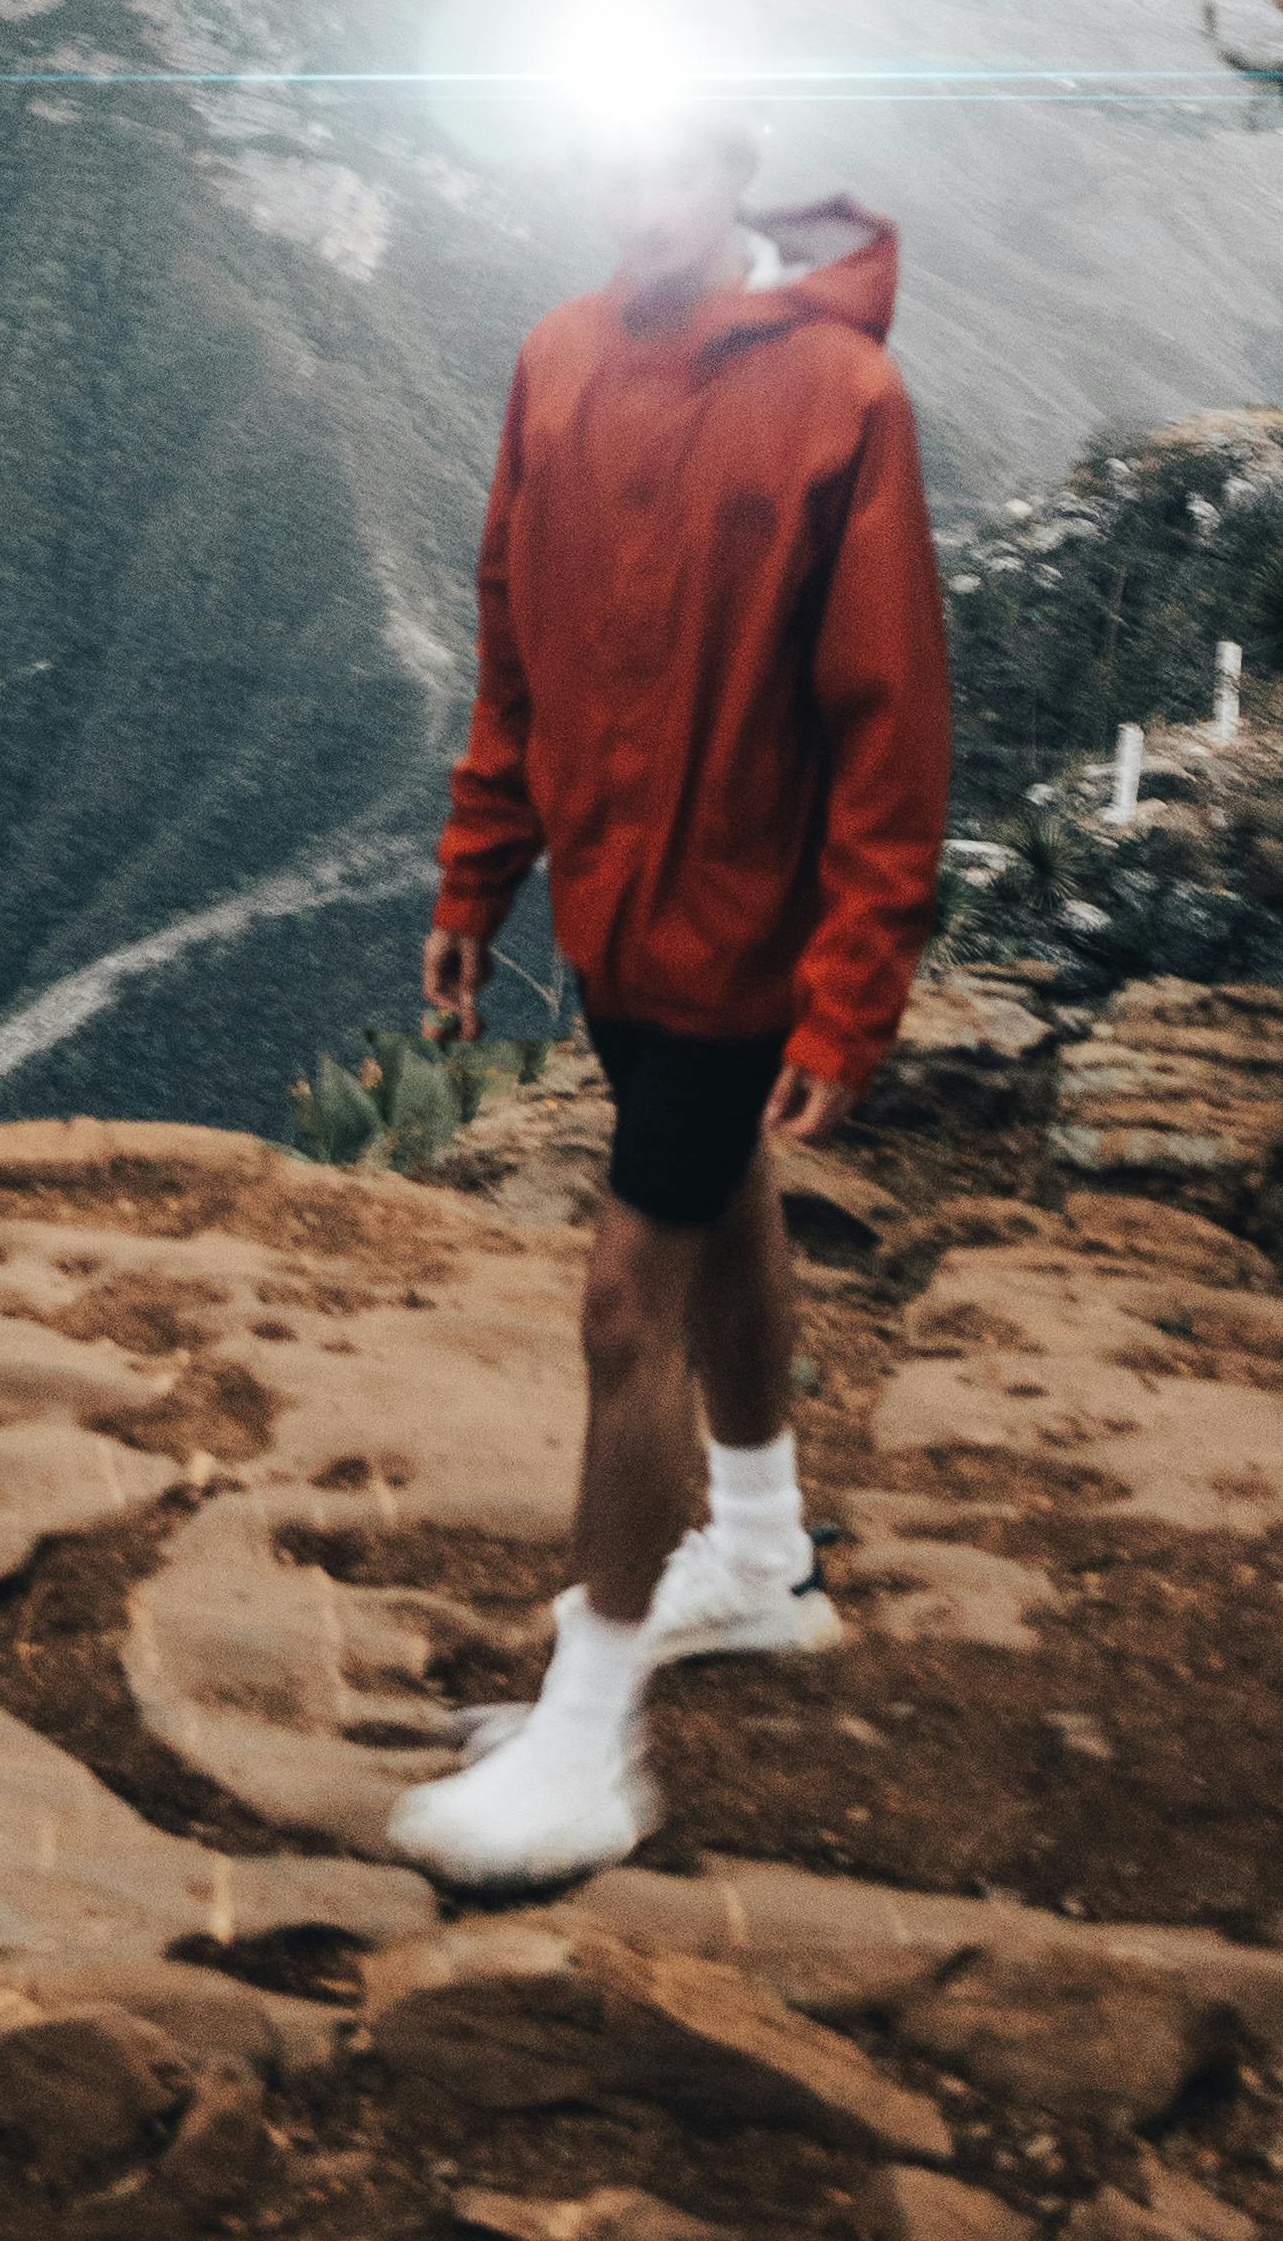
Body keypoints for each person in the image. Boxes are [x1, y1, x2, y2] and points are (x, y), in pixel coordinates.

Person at [382, 106, 950, 1889]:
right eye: (610, 160)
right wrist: (480, 875)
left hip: (741, 927)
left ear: (737, 175)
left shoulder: (844, 399)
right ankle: (762, 1557)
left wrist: (851, 987)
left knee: (632, 1301)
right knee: (728, 1202)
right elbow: (512, 637)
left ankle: (587, 1734)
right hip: (615, 919)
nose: (636, 199)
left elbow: (890, 720)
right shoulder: (556, 357)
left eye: (670, 167)